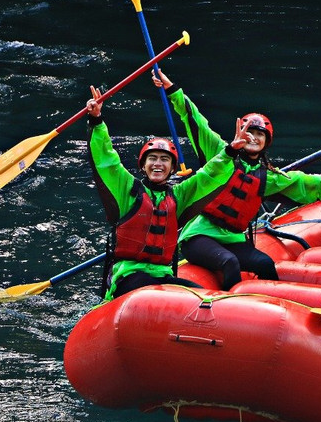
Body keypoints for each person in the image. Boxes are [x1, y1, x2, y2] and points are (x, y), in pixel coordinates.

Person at [152, 70, 321, 290]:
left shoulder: (268, 176)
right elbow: (195, 119)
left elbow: (304, 182)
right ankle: (228, 312)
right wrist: (171, 89)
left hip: (233, 238)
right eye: (249, 132)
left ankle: (271, 304)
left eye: (259, 134)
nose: (253, 137)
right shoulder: (219, 151)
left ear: (266, 142)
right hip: (199, 236)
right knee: (229, 263)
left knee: (264, 263)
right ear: (240, 134)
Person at [85, 84, 246, 301]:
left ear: (172, 168)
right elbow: (107, 160)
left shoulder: (178, 196)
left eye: (164, 160)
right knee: (148, 287)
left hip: (163, 276)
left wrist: (230, 151)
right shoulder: (128, 189)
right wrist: (96, 120)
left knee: (202, 297)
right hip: (129, 276)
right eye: (152, 159)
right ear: (143, 165)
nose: (158, 164)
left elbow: (207, 176)